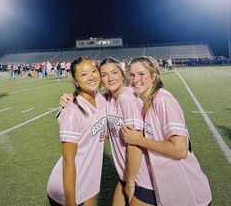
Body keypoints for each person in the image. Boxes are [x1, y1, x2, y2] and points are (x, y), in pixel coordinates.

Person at [60, 57, 157, 206]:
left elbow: (135, 143)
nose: (110, 78)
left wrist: (130, 183)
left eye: (114, 72)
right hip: (125, 176)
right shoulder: (107, 100)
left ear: (122, 74)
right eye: (104, 74)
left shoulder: (126, 97)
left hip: (140, 178)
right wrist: (70, 97)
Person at [121, 56, 212, 206]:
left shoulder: (163, 100)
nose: (135, 79)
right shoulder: (146, 104)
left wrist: (138, 140)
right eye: (132, 75)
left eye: (141, 74)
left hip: (189, 193)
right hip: (169, 192)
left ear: (153, 76)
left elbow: (180, 149)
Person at [47, 57, 107, 206]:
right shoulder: (72, 110)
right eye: (84, 74)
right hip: (68, 189)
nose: (92, 76)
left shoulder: (100, 99)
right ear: (75, 81)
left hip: (86, 184)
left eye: (94, 71)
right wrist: (71, 202)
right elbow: (68, 159)